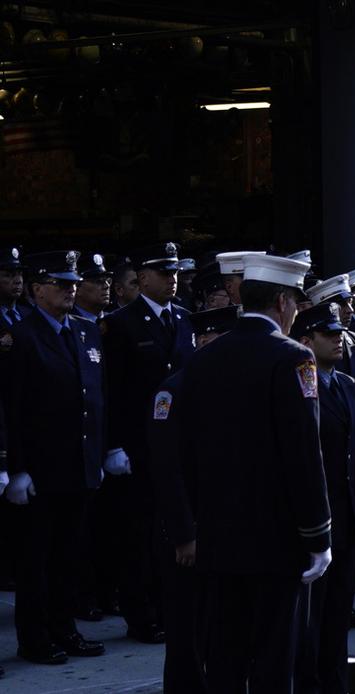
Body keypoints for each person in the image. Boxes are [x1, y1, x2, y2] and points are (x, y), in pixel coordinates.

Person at [177, 252, 332, 690]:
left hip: (219, 534)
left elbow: (188, 450)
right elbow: (304, 454)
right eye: (297, 304)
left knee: (224, 655)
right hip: (276, 540)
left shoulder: (205, 358)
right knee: (273, 658)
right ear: (283, 303)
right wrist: (318, 534)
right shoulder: (293, 358)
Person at [4, 251, 108, 666]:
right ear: (37, 289)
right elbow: (13, 407)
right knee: (37, 560)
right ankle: (35, 638)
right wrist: (17, 468)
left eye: (72, 283)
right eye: (60, 283)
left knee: (70, 555)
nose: (70, 289)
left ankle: (65, 628)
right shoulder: (22, 337)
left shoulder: (85, 331)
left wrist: (100, 451)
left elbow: (96, 397)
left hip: (78, 464)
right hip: (41, 469)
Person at [101, 241, 195, 645]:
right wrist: (115, 445)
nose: (172, 280)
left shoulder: (186, 320)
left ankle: (168, 607)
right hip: (138, 446)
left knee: (172, 528)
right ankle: (140, 614)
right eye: (163, 273)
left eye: (174, 273)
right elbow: (112, 391)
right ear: (141, 279)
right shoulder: (121, 323)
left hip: (178, 445)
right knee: (137, 535)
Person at [147, 303, 237, 692]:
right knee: (187, 632)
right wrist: (184, 533)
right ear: (202, 341)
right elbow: (167, 470)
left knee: (222, 629)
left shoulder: (234, 388)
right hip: (190, 531)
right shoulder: (174, 390)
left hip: (227, 530)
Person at [291, 303, 355, 694]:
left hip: (348, 517)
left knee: (338, 614)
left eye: (339, 333)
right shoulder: (300, 387)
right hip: (315, 520)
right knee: (310, 619)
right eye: (328, 334)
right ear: (306, 341)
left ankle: (335, 684)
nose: (339, 339)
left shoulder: (349, 385)